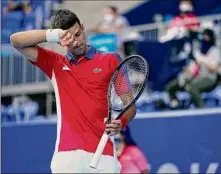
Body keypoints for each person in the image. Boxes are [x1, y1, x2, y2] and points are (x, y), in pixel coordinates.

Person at [10, 9, 136, 173]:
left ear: (82, 28)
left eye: (77, 34)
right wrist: (53, 34)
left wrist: (121, 123)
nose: (76, 42)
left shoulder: (111, 60)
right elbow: (16, 41)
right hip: (67, 159)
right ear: (59, 42)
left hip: (105, 159)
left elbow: (130, 106)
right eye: (68, 39)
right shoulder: (54, 63)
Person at [166, 29, 221, 108]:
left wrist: (203, 60)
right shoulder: (199, 51)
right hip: (197, 77)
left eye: (207, 37)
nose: (205, 39)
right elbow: (194, 68)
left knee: (192, 87)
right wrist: (187, 71)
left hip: (210, 78)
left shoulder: (215, 51)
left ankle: (202, 109)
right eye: (203, 36)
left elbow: (214, 68)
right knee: (171, 87)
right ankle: (176, 106)